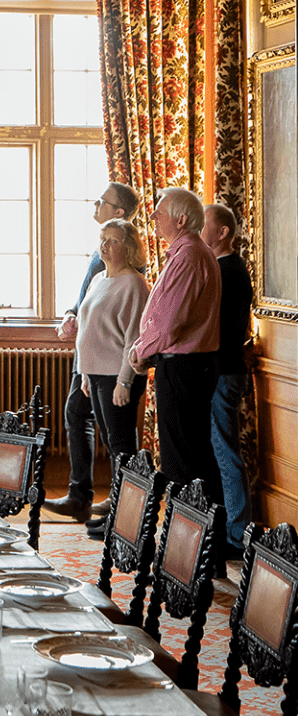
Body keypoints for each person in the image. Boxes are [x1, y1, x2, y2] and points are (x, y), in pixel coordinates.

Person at [45, 181, 139, 524]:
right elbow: (88, 298)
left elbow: (129, 328)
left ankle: (117, 503)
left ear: (119, 212)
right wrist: (71, 314)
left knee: (116, 433)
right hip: (90, 361)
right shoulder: (103, 252)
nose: (95, 203)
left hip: (111, 364)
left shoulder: (126, 263)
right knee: (78, 414)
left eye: (103, 201)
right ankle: (82, 495)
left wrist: (124, 380)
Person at [129, 187, 222, 495]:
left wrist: (140, 351)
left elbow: (168, 324)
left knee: (182, 464)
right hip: (188, 367)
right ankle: (199, 539)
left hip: (184, 368)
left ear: (181, 220)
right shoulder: (190, 253)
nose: (153, 216)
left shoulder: (189, 256)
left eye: (160, 211)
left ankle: (191, 540)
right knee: (191, 457)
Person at [75, 219, 151, 539]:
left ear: (129, 246)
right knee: (112, 445)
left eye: (113, 240)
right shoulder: (97, 279)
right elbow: (86, 329)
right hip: (96, 375)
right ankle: (118, 514)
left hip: (117, 377)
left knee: (122, 448)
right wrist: (84, 372)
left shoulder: (134, 284)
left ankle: (127, 521)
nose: (104, 245)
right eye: (102, 239)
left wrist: (124, 381)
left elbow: (134, 338)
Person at [201, 202, 255, 559]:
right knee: (218, 450)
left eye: (203, 225)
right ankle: (226, 528)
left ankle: (237, 536)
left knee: (224, 451)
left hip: (224, 371)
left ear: (222, 233)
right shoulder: (223, 268)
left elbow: (223, 329)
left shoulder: (229, 269)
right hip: (222, 370)